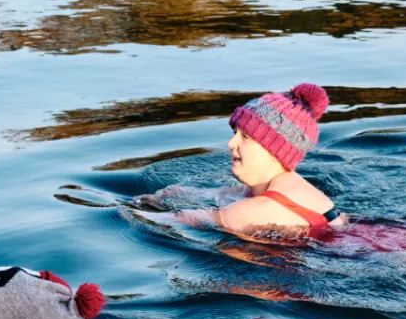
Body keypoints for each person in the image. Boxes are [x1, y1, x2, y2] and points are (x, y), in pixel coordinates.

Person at [136, 83, 347, 239]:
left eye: (245, 137)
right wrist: (167, 194)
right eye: (235, 132)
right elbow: (217, 194)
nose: (231, 142)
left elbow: (167, 221)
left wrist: (123, 211)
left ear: (274, 149)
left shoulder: (252, 210)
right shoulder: (286, 188)